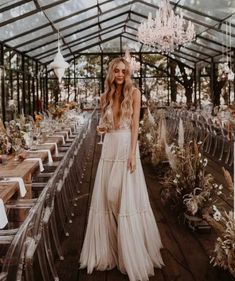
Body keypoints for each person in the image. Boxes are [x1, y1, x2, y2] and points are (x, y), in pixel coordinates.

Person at [79, 57, 164, 281]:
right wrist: (101, 128)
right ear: (111, 73)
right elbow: (104, 124)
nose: (119, 74)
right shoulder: (104, 96)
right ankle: (112, 247)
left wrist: (133, 155)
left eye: (123, 71)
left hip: (126, 147)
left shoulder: (134, 93)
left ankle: (130, 249)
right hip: (109, 148)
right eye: (116, 70)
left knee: (122, 197)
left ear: (127, 74)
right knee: (108, 197)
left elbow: (135, 125)